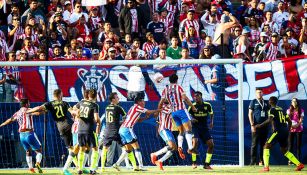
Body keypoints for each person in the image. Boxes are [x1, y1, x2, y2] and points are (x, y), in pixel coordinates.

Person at [26, 89, 76, 175]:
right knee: (75, 146)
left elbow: (38, 109)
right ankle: (76, 166)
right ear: (60, 94)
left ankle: (76, 166)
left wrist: (28, 111)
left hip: (60, 127)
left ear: (53, 95)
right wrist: (75, 114)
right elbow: (72, 112)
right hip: (68, 124)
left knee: (70, 147)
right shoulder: (65, 103)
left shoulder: (50, 104)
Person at [256, 96, 304, 172]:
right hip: (284, 131)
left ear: (270, 102)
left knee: (266, 146)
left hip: (278, 131)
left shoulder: (272, 110)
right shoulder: (281, 109)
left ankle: (266, 167)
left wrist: (259, 125)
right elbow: (289, 121)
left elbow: (269, 120)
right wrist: (287, 130)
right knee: (284, 150)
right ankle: (299, 164)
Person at [113, 96, 161, 170]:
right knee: (137, 147)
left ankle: (116, 164)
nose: (144, 102)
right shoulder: (137, 107)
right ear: (138, 102)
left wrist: (145, 118)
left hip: (122, 129)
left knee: (128, 149)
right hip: (127, 129)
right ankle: (141, 166)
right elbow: (148, 111)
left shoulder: (133, 108)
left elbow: (138, 120)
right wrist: (160, 109)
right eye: (142, 101)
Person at [158, 74, 197, 160]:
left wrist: (158, 111)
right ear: (177, 79)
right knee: (189, 129)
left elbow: (161, 102)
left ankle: (180, 146)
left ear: (169, 80)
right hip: (181, 110)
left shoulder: (165, 90)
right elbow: (185, 98)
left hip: (173, 112)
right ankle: (190, 148)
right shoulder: (179, 87)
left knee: (181, 131)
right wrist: (193, 107)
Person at [0, 99, 43, 174]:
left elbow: (10, 120)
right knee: (39, 150)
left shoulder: (18, 113)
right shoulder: (28, 110)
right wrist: (43, 111)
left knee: (27, 151)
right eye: (29, 103)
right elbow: (38, 113)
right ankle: (38, 163)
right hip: (29, 133)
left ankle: (30, 168)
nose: (29, 104)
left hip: (21, 135)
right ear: (26, 104)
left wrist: (2, 124)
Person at [100, 92, 138, 171]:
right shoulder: (118, 108)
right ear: (113, 99)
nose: (118, 99)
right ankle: (134, 166)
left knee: (105, 149)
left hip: (108, 131)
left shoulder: (107, 108)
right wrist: (120, 122)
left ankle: (102, 168)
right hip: (117, 131)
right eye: (117, 97)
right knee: (128, 148)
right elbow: (126, 118)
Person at [73, 89, 101, 175]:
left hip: (80, 129)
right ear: (96, 96)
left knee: (81, 149)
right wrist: (99, 122)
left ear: (88, 95)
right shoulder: (94, 105)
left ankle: (80, 169)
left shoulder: (81, 103)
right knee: (95, 149)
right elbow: (96, 119)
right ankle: (92, 169)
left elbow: (73, 108)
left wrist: (76, 113)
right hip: (90, 129)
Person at [188, 91, 214, 170]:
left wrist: (211, 122)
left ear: (201, 96)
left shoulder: (207, 105)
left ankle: (206, 164)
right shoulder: (192, 106)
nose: (195, 98)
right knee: (195, 143)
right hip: (195, 128)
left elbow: (211, 113)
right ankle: (194, 163)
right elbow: (187, 115)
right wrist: (191, 119)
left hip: (204, 128)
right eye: (194, 96)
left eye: (197, 96)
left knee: (211, 145)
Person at [150, 101, 176, 170]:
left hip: (168, 130)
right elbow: (173, 111)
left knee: (174, 148)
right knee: (171, 146)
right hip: (164, 129)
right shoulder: (164, 107)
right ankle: (155, 154)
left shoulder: (169, 106)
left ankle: (160, 161)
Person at [248, 88, 270, 166]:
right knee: (254, 144)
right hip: (256, 126)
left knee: (263, 144)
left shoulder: (267, 102)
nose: (259, 94)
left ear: (262, 93)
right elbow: (250, 113)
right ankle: (253, 161)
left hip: (265, 127)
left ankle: (262, 161)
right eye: (257, 92)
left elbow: (270, 115)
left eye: (260, 92)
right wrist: (252, 125)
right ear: (255, 94)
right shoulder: (253, 102)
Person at [287, 98, 304, 164]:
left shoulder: (301, 110)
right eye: (293, 101)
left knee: (298, 146)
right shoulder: (288, 110)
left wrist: (296, 126)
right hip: (291, 130)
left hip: (299, 130)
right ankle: (290, 160)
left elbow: (301, 120)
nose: (294, 102)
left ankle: (298, 161)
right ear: (291, 102)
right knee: (290, 145)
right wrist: (291, 126)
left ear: (297, 102)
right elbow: (287, 120)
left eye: (295, 101)